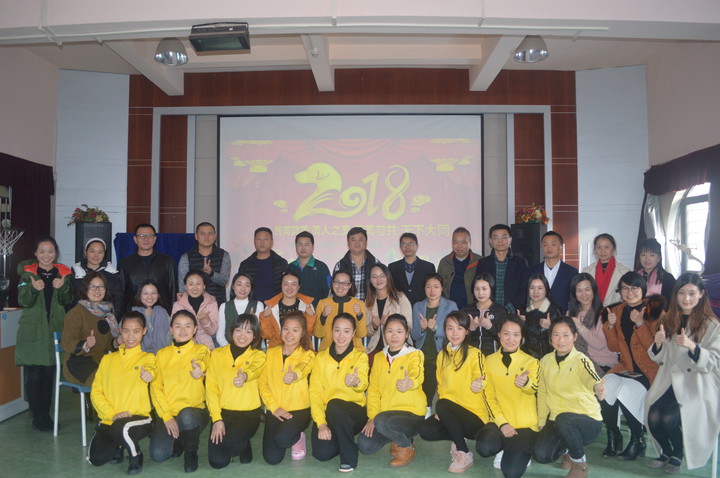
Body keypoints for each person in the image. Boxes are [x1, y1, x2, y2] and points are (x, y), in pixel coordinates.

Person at [645, 273, 720, 472]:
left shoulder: (712, 324)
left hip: (697, 382)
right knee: (653, 415)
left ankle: (678, 453)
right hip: (670, 379)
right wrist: (658, 344)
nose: (686, 298)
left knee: (669, 417)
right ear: (675, 295)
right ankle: (666, 451)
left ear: (701, 294)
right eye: (681, 293)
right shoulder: (668, 319)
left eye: (692, 293)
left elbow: (715, 362)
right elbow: (661, 358)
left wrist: (693, 347)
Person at [533, 318, 606, 478]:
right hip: (558, 419)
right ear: (550, 338)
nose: (561, 340)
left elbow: (591, 376)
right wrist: (541, 421)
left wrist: (597, 386)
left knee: (564, 419)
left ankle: (580, 465)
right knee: (541, 455)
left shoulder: (581, 360)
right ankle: (568, 449)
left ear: (575, 337)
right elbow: (542, 393)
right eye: (556, 335)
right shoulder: (545, 361)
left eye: (566, 335)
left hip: (586, 421)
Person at [601, 272, 661, 460]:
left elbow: (655, 350)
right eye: (625, 288)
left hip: (650, 369)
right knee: (603, 386)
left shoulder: (655, 311)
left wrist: (641, 323)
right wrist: (610, 327)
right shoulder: (617, 311)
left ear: (643, 289)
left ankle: (638, 440)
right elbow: (614, 347)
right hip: (627, 366)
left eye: (634, 288)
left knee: (627, 390)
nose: (630, 292)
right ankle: (614, 435)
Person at [419, 311, 488, 473]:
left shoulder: (475, 354)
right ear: (444, 330)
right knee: (426, 430)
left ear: (466, 331)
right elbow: (441, 388)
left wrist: (479, 384)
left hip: (474, 417)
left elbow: (481, 377)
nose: (454, 333)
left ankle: (463, 452)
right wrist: (443, 413)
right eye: (450, 328)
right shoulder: (441, 356)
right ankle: (458, 437)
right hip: (451, 412)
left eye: (459, 328)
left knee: (442, 404)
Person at [16, 236, 73, 432]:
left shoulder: (63, 273)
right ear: (35, 254)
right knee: (34, 375)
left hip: (54, 329)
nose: (46, 255)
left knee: (49, 375)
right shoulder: (28, 274)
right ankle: (37, 416)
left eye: (50, 251)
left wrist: (62, 287)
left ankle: (45, 415)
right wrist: (33, 289)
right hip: (33, 329)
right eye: (42, 251)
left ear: (55, 253)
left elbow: (67, 300)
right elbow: (23, 301)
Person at [88, 312, 156, 475]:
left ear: (144, 331)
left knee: (121, 428)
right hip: (111, 417)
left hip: (138, 417)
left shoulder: (148, 358)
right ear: (120, 331)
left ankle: (135, 455)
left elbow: (152, 369)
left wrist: (149, 374)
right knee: (96, 458)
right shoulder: (107, 360)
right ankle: (119, 444)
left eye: (136, 331)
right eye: (126, 331)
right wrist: (112, 414)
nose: (130, 336)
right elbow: (96, 392)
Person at [358, 314, 425, 468]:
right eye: (390, 331)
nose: (394, 336)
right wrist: (372, 417)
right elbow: (373, 391)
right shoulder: (379, 357)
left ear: (406, 334)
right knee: (365, 445)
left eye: (399, 331)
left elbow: (417, 374)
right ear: (384, 333)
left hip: (412, 414)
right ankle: (396, 438)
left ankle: (406, 446)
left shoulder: (415, 354)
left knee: (381, 421)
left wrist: (410, 382)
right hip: (386, 416)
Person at [476, 315, 539, 478]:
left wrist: (525, 383)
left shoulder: (531, 361)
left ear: (522, 337)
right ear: (499, 334)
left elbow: (534, 388)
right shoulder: (489, 360)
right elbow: (488, 396)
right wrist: (502, 423)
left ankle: (521, 450)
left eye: (516, 334)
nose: (511, 339)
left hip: (525, 425)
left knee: (511, 473)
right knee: (484, 448)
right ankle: (504, 447)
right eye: (506, 333)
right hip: (500, 421)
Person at [149, 310, 210, 473]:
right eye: (178, 326)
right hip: (170, 413)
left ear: (195, 329)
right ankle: (180, 439)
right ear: (171, 329)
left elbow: (203, 360)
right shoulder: (161, 354)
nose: (183, 330)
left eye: (188, 326)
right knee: (158, 455)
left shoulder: (201, 349)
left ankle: (191, 452)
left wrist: (200, 368)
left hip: (194, 412)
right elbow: (156, 388)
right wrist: (167, 417)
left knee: (187, 416)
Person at [310, 313, 370, 472]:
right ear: (332, 331)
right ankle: (346, 441)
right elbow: (315, 393)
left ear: (353, 332)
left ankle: (349, 458)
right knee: (322, 454)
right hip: (328, 414)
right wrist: (321, 424)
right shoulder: (321, 358)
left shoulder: (360, 356)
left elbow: (363, 383)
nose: (341, 335)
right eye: (337, 330)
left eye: (346, 331)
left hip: (354, 413)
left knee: (335, 404)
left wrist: (356, 382)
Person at [206, 313, 266, 469]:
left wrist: (245, 375)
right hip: (223, 413)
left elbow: (256, 369)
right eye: (238, 330)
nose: (242, 336)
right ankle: (241, 443)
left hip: (249, 413)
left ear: (255, 336)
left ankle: (243, 445)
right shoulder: (217, 354)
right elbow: (211, 388)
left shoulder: (258, 355)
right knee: (217, 462)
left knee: (232, 446)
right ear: (232, 331)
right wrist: (216, 419)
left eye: (248, 332)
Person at [259, 311, 316, 464]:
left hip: (299, 410)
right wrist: (274, 407)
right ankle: (288, 434)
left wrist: (295, 375)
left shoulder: (308, 355)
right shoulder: (270, 354)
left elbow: (304, 367)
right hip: (276, 409)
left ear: (302, 333)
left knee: (283, 439)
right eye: (286, 329)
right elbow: (262, 383)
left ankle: (298, 437)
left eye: (295, 330)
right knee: (272, 459)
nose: (289, 334)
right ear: (281, 330)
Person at [410, 273, 458, 415]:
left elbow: (456, 333)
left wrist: (436, 328)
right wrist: (422, 328)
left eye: (436, 287)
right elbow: (414, 336)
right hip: (422, 352)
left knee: (433, 379)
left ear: (442, 288)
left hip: (441, 352)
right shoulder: (418, 306)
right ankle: (424, 410)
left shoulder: (451, 306)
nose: (432, 290)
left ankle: (431, 409)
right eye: (428, 287)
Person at [61, 272, 118, 388]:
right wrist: (85, 344)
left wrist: (118, 341)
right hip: (78, 362)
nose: (97, 290)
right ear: (85, 289)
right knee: (107, 383)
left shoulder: (108, 313)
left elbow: (108, 344)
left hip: (101, 360)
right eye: (92, 286)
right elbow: (66, 343)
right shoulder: (76, 313)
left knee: (124, 378)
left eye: (101, 286)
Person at [118, 223, 177, 314]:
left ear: (155, 239)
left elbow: (172, 290)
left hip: (161, 312)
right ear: (135, 239)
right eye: (141, 236)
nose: (146, 239)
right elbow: (121, 293)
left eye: (149, 235)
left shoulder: (167, 261)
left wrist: (172, 313)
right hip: (133, 314)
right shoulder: (125, 263)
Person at [566, 273, 617, 375]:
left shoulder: (604, 314)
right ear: (574, 293)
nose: (584, 294)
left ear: (594, 290)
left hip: (602, 362)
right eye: (579, 290)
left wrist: (580, 326)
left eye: (587, 289)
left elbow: (599, 345)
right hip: (578, 361)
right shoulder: (570, 314)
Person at [475, 224, 529, 313]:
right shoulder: (483, 263)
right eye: (496, 238)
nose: (500, 241)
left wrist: (508, 310)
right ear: (490, 241)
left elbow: (524, 290)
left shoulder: (521, 263)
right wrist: (490, 309)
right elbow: (477, 288)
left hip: (513, 312)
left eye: (504, 237)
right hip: (488, 311)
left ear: (510, 240)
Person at [178, 222, 231, 306]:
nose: (207, 237)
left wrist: (211, 273)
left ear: (215, 236)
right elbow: (182, 285)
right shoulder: (186, 257)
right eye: (202, 234)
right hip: (193, 305)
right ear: (196, 236)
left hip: (217, 304)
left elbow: (224, 281)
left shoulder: (224, 255)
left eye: (210, 233)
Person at [365, 263, 412, 356]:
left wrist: (390, 322)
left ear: (388, 277)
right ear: (370, 280)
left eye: (382, 276)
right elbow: (366, 332)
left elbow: (409, 326)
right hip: (375, 348)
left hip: (398, 348)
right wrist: (373, 326)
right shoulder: (369, 301)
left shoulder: (400, 298)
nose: (378, 279)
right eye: (374, 277)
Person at [260, 271, 316, 348]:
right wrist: (265, 318)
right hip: (278, 347)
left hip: (301, 347)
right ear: (281, 286)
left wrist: (310, 316)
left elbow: (308, 332)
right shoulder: (271, 306)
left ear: (298, 287)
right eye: (286, 284)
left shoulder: (307, 305)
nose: (289, 287)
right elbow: (267, 335)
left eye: (293, 284)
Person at [314, 270, 367, 351]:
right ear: (332, 283)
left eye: (345, 283)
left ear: (350, 285)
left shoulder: (359, 304)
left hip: (354, 351)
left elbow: (361, 334)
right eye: (337, 282)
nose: (340, 286)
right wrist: (323, 316)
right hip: (327, 351)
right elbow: (318, 334)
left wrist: (359, 315)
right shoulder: (323, 303)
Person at [71, 237, 123, 315]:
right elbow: (72, 299)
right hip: (81, 316)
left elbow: (118, 299)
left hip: (107, 316)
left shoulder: (112, 273)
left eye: (100, 252)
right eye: (92, 251)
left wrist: (114, 317)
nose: (96, 255)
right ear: (85, 252)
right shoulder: (76, 272)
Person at [237, 227, 289, 302]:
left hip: (276, 306)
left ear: (272, 241)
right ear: (254, 241)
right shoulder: (245, 264)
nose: (262, 242)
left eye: (265, 239)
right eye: (259, 239)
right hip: (252, 306)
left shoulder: (281, 263)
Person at [530, 231, 578, 312]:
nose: (549, 248)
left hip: (562, 316)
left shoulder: (571, 272)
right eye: (545, 245)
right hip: (537, 315)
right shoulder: (533, 270)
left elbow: (574, 299)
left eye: (553, 244)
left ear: (561, 248)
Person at [171, 270, 219, 350]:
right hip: (184, 344)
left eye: (198, 284)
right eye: (191, 284)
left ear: (204, 286)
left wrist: (204, 320)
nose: (195, 287)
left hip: (206, 345)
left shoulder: (211, 302)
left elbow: (212, 331)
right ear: (185, 286)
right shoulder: (178, 305)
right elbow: (175, 330)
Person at [462, 274, 508, 355]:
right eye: (477, 289)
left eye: (484, 289)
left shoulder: (500, 311)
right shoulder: (467, 310)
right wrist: (471, 329)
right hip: (471, 357)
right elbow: (460, 339)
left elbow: (505, 340)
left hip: (493, 357)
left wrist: (490, 327)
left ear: (491, 289)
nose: (480, 293)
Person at [519, 274, 563, 359]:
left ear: (546, 290)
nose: (536, 292)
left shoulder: (555, 311)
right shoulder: (521, 311)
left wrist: (551, 327)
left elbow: (563, 338)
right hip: (526, 359)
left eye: (540, 288)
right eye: (532, 288)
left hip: (549, 359)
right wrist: (518, 325)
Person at [437, 227, 482, 309]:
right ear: (452, 243)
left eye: (463, 242)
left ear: (470, 243)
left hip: (473, 309)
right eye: (456, 242)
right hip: (449, 310)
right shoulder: (444, 262)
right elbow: (438, 287)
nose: (459, 246)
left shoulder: (480, 262)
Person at [581, 233, 631, 307]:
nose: (602, 251)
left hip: (614, 311)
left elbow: (628, 297)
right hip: (591, 310)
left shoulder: (625, 271)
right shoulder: (586, 271)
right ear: (595, 249)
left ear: (613, 248)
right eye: (599, 247)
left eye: (606, 247)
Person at [217, 272, 265, 347]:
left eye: (247, 285)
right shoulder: (224, 306)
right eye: (239, 284)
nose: (243, 288)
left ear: (251, 288)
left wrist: (256, 320)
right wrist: (230, 349)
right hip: (229, 349)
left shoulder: (258, 305)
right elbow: (220, 335)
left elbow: (261, 333)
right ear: (233, 286)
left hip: (252, 350)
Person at [333, 226, 380, 302]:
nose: (357, 243)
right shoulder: (340, 265)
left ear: (366, 242)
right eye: (353, 240)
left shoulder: (376, 264)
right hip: (346, 307)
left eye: (360, 240)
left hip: (370, 307)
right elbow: (334, 291)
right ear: (348, 243)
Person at [388, 233, 436, 305]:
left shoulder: (428, 267)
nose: (407, 247)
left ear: (417, 246)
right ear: (400, 247)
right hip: (400, 307)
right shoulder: (392, 267)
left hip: (422, 307)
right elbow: (390, 290)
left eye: (411, 243)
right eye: (404, 244)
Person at [288, 231, 331, 308]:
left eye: (306, 245)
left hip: (316, 311)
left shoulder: (322, 267)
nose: (303, 248)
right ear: (296, 246)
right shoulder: (290, 267)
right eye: (300, 245)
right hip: (294, 312)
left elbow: (328, 291)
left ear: (312, 246)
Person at [130, 281, 172, 354]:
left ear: (158, 295)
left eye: (153, 293)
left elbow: (171, 331)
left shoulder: (162, 312)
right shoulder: (132, 313)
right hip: (139, 356)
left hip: (163, 354)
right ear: (139, 295)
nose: (150, 297)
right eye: (145, 293)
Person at [635, 238, 675, 305]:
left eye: (652, 255)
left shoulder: (668, 278)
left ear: (659, 258)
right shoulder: (633, 277)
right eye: (643, 255)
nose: (647, 259)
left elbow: (670, 303)